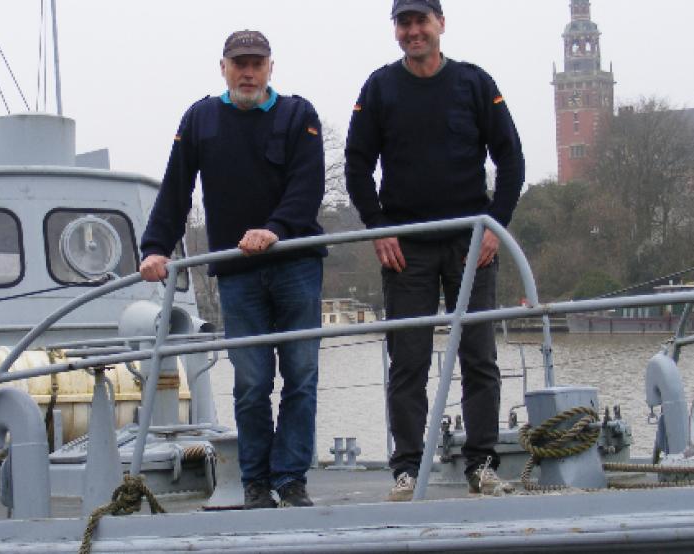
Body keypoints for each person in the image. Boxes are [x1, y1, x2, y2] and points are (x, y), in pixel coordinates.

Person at [344, 0, 524, 501]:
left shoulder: (475, 83)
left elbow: (511, 158)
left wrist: (496, 226)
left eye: (422, 20)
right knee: (408, 361)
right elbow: (357, 165)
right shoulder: (379, 89)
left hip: (472, 245)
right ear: (395, 31)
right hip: (407, 250)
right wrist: (378, 227)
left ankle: (482, 465)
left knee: (480, 357)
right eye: (404, 23)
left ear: (440, 24)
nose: (414, 31)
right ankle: (406, 470)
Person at [139, 30, 326, 509]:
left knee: (301, 375)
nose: (248, 72)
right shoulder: (201, 119)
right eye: (239, 63)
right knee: (251, 382)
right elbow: (177, 189)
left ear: (270, 68)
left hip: (296, 265)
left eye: (256, 64)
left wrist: (274, 229)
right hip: (238, 273)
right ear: (222, 67)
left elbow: (307, 186)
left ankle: (291, 478)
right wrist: (157, 247)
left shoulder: (298, 114)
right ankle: (256, 483)